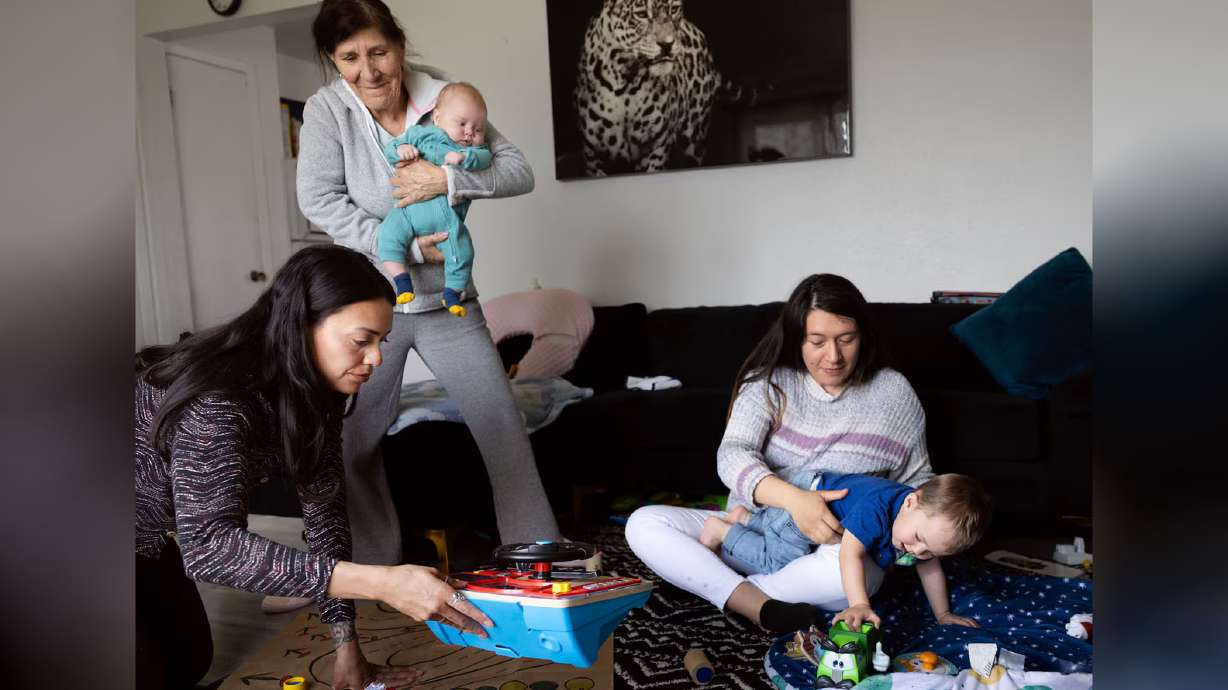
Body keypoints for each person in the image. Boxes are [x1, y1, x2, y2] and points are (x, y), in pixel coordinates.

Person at [135, 245, 494, 690]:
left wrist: (346, 647)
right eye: (362, 340)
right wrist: (379, 582)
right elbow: (209, 547)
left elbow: (326, 518)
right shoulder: (221, 399)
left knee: (191, 661)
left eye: (381, 342)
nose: (377, 359)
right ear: (300, 326)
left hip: (145, 536)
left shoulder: (317, 395)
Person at [296, 0, 564, 575]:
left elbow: (518, 171)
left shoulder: (445, 100)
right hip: (368, 305)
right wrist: (406, 247)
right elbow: (319, 199)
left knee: (501, 426)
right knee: (352, 440)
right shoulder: (327, 111)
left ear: (399, 45)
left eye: (379, 52)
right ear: (332, 60)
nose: (368, 71)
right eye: (349, 58)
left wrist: (446, 175)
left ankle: (537, 559)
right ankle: (364, 568)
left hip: (448, 303)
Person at [625, 273, 936, 633]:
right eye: (817, 341)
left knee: (856, 580)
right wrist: (796, 501)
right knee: (643, 524)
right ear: (796, 339)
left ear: (863, 336)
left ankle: (716, 585)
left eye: (846, 339)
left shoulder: (894, 394)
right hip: (749, 532)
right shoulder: (769, 383)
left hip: (826, 554)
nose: (832, 356)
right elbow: (732, 455)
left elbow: (919, 482)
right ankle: (757, 605)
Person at [701, 472, 991, 630]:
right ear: (911, 502)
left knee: (779, 533)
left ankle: (746, 518)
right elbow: (849, 554)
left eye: (929, 550)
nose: (916, 551)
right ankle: (723, 530)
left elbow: (930, 568)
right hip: (810, 502)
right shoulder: (877, 509)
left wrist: (943, 613)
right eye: (916, 539)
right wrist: (859, 604)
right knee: (777, 559)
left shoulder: (920, 530)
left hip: (819, 508)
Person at [380, 81, 491, 315]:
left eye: (478, 129)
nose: (470, 132)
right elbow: (392, 149)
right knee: (387, 235)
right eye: (462, 123)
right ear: (438, 118)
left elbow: (485, 159)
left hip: (447, 221)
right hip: (407, 211)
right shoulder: (420, 135)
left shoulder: (474, 152)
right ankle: (401, 280)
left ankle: (451, 294)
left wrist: (462, 158)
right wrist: (401, 151)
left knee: (462, 251)